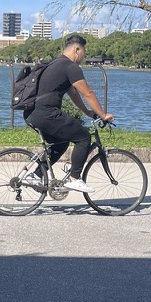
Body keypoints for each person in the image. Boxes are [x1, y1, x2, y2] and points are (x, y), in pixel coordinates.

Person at [23, 33, 113, 193]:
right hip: (46, 113)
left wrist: (88, 112)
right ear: (77, 50)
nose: (83, 57)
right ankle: (75, 178)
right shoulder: (71, 67)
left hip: (33, 113)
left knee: (61, 143)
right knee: (84, 138)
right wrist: (103, 115)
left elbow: (74, 94)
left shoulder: (56, 63)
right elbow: (88, 93)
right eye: (84, 52)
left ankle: (36, 175)